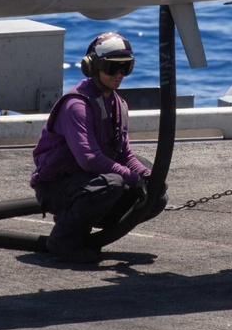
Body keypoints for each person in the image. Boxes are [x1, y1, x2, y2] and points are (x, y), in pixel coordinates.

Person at [30, 32, 167, 263]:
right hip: (57, 186)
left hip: (88, 183)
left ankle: (80, 230)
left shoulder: (118, 104)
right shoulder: (77, 105)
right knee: (113, 182)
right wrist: (130, 177)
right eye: (112, 68)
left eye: (125, 67)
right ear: (92, 66)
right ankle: (63, 239)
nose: (120, 75)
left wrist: (147, 177)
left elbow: (125, 154)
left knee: (155, 196)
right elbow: (89, 159)